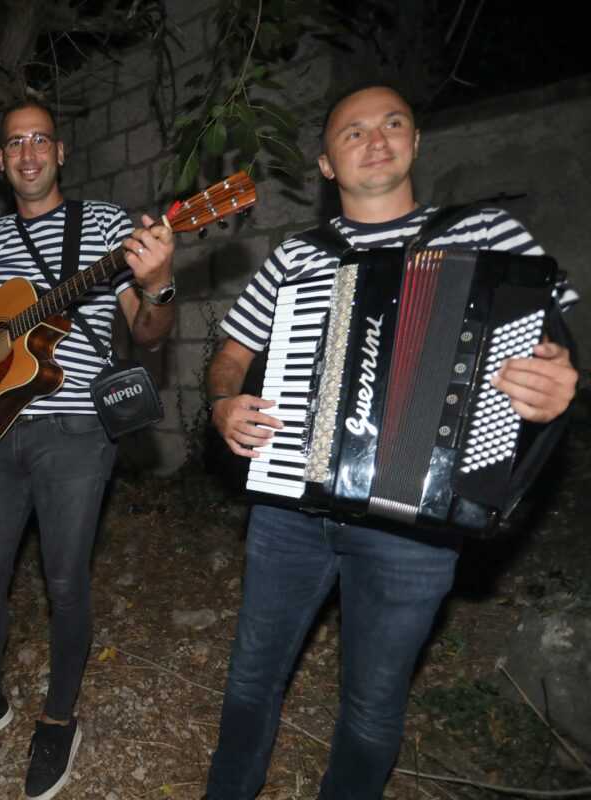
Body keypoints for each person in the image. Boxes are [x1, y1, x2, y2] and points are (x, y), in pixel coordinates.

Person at [203, 83, 579, 799]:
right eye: (353, 131)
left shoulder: (488, 234)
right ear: (325, 163)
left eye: (392, 123)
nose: (375, 140)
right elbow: (231, 350)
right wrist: (223, 402)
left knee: (373, 705)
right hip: (289, 509)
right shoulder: (297, 255)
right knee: (251, 677)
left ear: (415, 141)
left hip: (416, 523)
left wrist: (558, 381)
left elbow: (553, 342)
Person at [0, 100, 176, 799]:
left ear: (60, 152)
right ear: (1, 161)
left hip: (76, 432)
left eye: (40, 140)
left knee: (64, 582)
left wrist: (158, 284)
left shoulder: (106, 225)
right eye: (15, 143)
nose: (28, 153)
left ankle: (58, 719)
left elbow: (148, 332)